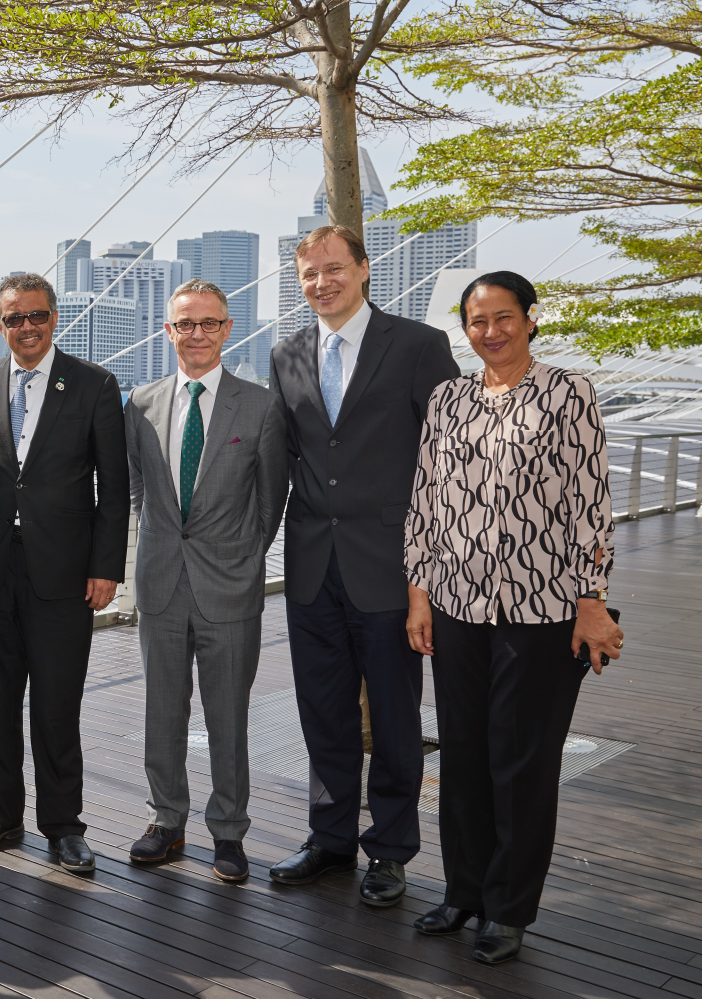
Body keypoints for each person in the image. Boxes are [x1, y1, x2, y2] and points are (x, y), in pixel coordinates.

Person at [405, 271, 621, 964]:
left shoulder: (568, 392)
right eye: (477, 320)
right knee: (463, 755)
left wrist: (591, 598)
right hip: (458, 602)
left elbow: (592, 504)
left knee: (521, 763)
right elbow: (426, 502)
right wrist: (419, 593)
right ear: (464, 328)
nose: (490, 330)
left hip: (544, 610)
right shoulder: (448, 398)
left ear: (530, 319)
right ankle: (462, 890)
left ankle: (508, 907)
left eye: (503, 316)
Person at [266, 225, 460, 905]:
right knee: (322, 711)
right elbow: (287, 458)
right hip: (312, 563)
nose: (323, 282)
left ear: (364, 269)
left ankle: (391, 848)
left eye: (334, 269)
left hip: (393, 565)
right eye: (310, 274)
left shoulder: (417, 345)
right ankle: (329, 837)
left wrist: (430, 577)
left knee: (398, 716)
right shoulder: (286, 353)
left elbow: (447, 462)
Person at [0, 272, 129, 874]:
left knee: (57, 705)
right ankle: (0, 815)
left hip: (65, 573)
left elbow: (116, 485)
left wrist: (108, 566)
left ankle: (62, 826)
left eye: (37, 316)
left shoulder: (95, 385)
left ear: (55, 318)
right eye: (13, 318)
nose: (26, 327)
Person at [123, 280, 288, 882]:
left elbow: (271, 502)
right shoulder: (140, 403)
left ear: (227, 329)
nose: (196, 334)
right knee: (161, 712)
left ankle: (228, 832)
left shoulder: (261, 405)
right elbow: (140, 490)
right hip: (161, 584)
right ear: (168, 331)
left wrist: (241, 559)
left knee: (228, 717)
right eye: (184, 324)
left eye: (208, 324)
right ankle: (167, 821)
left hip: (230, 587)